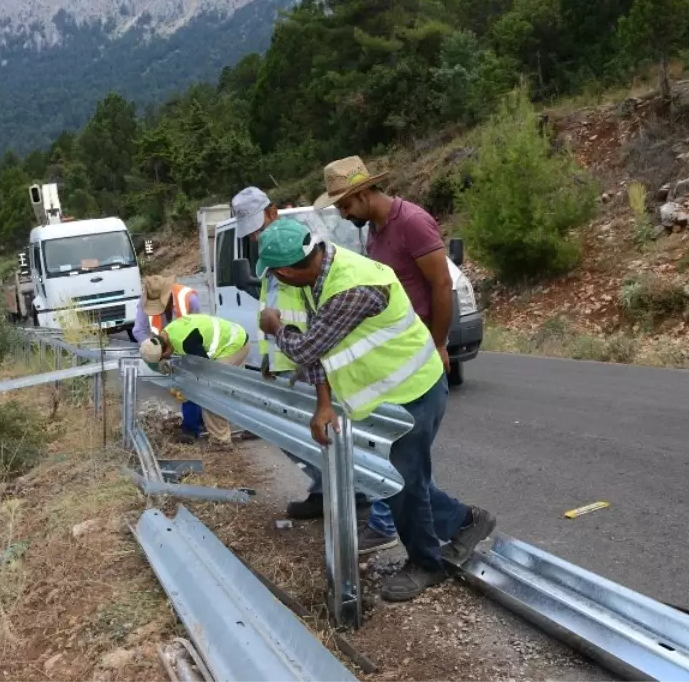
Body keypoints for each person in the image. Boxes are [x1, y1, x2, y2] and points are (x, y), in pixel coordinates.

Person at [256, 218, 495, 601]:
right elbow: (320, 349)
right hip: (384, 398)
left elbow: (305, 348)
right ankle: (467, 521)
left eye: (273, 273)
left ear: (285, 271)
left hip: (416, 388)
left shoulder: (354, 286)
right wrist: (322, 405)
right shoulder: (311, 280)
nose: (274, 280)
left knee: (399, 481)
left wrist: (274, 327)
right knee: (402, 478)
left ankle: (425, 563)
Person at [232, 186, 399, 553]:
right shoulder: (272, 256)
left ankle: (363, 500)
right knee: (292, 437)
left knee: (360, 443)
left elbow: (308, 330)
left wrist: (286, 343)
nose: (255, 237)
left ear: (272, 212)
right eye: (249, 233)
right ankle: (325, 491)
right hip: (289, 360)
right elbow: (272, 307)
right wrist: (269, 359)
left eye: (256, 227)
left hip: (314, 359)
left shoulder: (301, 247)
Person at [314, 155, 454, 378]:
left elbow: (443, 283)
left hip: (420, 341)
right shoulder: (374, 227)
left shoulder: (412, 222)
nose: (344, 214)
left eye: (345, 206)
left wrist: (438, 345)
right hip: (394, 344)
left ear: (363, 194)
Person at [139, 313, 250, 446]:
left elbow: (203, 372)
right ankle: (256, 425)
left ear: (164, 351)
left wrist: (186, 389)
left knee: (210, 392)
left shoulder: (187, 342)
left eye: (163, 358)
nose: (165, 359)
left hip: (234, 345)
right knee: (232, 390)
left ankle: (220, 441)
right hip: (234, 337)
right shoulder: (167, 333)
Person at [133, 275, 208, 443]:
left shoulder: (189, 299)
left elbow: (199, 328)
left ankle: (191, 428)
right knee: (178, 388)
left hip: (190, 346)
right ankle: (197, 420)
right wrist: (154, 349)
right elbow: (139, 330)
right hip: (163, 348)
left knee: (190, 384)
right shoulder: (145, 301)